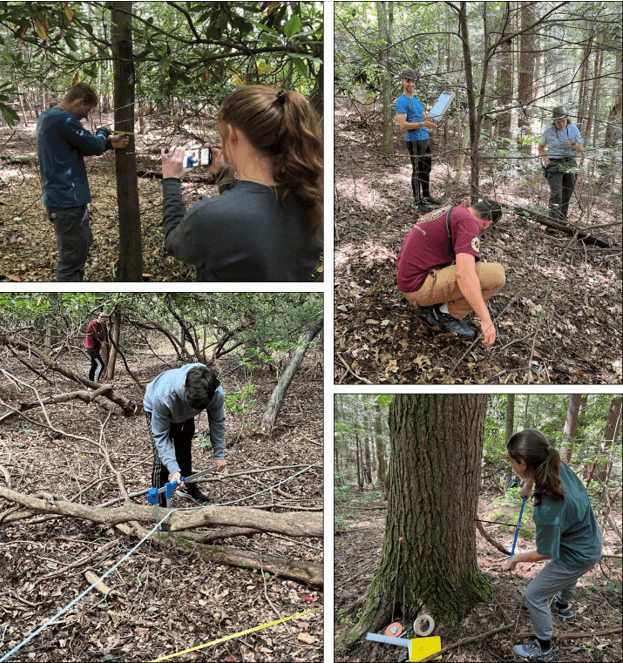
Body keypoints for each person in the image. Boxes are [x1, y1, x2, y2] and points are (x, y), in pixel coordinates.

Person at [160, 85, 323, 281]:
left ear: (233, 134)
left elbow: (174, 243)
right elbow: (257, 213)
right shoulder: (311, 200)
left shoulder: (208, 216)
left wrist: (170, 180)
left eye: (222, 136)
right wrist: (222, 174)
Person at [504, 429, 602, 662]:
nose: (510, 464)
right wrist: (528, 486)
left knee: (534, 595)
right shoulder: (554, 463)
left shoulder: (549, 507)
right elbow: (535, 470)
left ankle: (544, 647)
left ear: (524, 463)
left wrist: (516, 558)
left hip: (579, 553)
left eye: (512, 461)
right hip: (589, 538)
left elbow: (545, 552)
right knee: (568, 575)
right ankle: (563, 606)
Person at [36, 82, 129, 281]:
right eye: (87, 110)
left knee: (80, 248)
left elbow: (83, 145)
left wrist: (108, 144)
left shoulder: (47, 116)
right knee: (71, 259)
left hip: (61, 197)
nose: (86, 116)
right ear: (79, 102)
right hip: (66, 200)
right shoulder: (65, 121)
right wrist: (103, 133)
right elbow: (93, 145)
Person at [396, 199, 505, 346]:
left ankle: (440, 305)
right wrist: (485, 319)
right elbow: (464, 274)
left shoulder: (454, 211)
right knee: (496, 275)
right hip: (417, 287)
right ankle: (444, 314)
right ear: (487, 223)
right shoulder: (468, 223)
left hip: (408, 279)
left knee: (473, 267)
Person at [144, 363, 226, 506]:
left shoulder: (214, 392)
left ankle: (187, 487)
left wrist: (219, 453)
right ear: (184, 387)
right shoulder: (164, 396)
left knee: (184, 446)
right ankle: (159, 505)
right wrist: (173, 470)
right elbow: (161, 437)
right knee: (161, 459)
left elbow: (217, 422)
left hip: (183, 411)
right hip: (156, 409)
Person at [395, 68, 441, 213]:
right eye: (408, 81)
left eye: (413, 81)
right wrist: (423, 124)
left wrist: (434, 116)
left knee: (427, 168)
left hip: (424, 138)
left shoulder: (417, 100)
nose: (411, 84)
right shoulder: (401, 101)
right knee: (417, 170)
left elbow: (423, 117)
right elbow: (403, 125)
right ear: (402, 81)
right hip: (414, 140)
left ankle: (426, 196)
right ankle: (417, 202)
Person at [538, 106, 584, 222]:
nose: (561, 124)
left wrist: (573, 144)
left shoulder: (573, 129)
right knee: (557, 193)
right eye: (558, 122)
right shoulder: (548, 131)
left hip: (570, 161)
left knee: (567, 193)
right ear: (554, 121)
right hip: (553, 162)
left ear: (567, 118)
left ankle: (562, 221)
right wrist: (547, 161)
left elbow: (581, 149)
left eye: (563, 121)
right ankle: (552, 223)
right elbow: (540, 148)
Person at [84, 311, 108, 382]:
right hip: (91, 347)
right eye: (101, 317)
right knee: (101, 365)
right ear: (98, 317)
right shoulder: (93, 323)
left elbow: (101, 337)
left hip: (96, 348)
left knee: (94, 365)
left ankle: (90, 382)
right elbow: (90, 333)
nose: (102, 319)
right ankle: (95, 382)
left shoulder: (101, 326)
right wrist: (98, 336)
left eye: (104, 318)